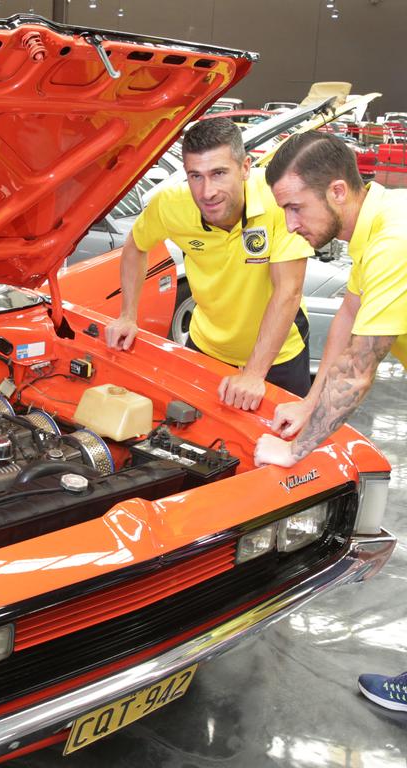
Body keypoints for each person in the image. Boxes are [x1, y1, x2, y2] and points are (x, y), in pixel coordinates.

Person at [250, 131, 407, 713]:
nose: (289, 223)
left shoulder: (392, 239)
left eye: (296, 206)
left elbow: (360, 369)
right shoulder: (380, 216)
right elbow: (349, 314)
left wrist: (297, 451)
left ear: (337, 190)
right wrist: (307, 404)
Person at [106, 118, 313, 409]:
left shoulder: (277, 202)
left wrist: (254, 374)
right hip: (206, 349)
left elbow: (288, 290)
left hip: (279, 358)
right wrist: (128, 315)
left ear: (244, 168)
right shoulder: (170, 205)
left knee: (281, 447)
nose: (207, 192)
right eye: (195, 176)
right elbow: (135, 247)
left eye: (218, 173)